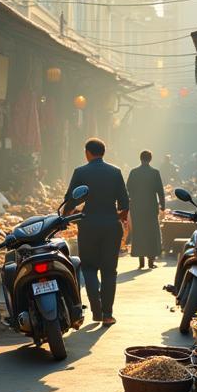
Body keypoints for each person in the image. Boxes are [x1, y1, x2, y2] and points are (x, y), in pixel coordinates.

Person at [64, 138, 129, 326]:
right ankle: (108, 314)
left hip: (88, 225)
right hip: (111, 226)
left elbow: (70, 200)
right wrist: (119, 219)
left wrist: (66, 217)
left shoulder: (81, 172)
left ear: (87, 153)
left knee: (89, 268)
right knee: (109, 271)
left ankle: (96, 310)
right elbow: (124, 203)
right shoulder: (115, 172)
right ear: (103, 152)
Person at [126, 150, 166, 270]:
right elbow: (160, 191)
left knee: (139, 232)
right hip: (151, 207)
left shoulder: (134, 172)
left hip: (137, 207)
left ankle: (141, 261)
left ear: (140, 158)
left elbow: (128, 189)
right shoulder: (155, 173)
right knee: (151, 233)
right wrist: (163, 206)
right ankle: (151, 261)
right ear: (150, 159)